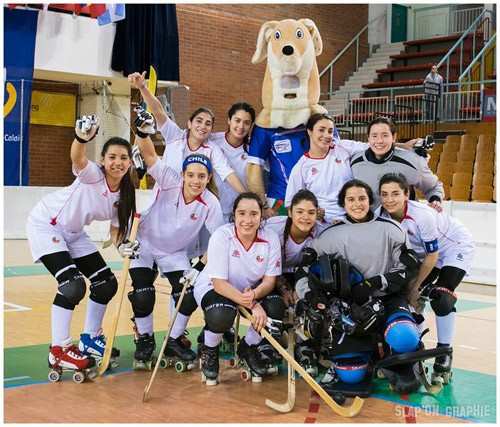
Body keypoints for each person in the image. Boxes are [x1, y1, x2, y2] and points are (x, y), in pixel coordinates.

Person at [26, 115, 137, 376]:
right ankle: (59, 349)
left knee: (106, 282)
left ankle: (89, 337)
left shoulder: (125, 193)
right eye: (112, 157)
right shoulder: (92, 175)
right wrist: (81, 138)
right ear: (103, 160)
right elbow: (77, 158)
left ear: (130, 162)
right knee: (73, 286)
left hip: (74, 233)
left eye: (123, 158)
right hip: (47, 224)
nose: (117, 163)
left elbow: (116, 229)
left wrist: (124, 247)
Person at [296, 179, 423, 396]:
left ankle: (396, 354)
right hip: (352, 307)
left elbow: (407, 268)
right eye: (351, 199)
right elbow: (304, 269)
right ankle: (372, 355)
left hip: (388, 297)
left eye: (362, 198)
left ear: (371, 201)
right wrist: (310, 295)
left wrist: (373, 283)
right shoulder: (329, 235)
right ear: (343, 203)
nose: (357, 204)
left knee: (405, 337)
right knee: (351, 375)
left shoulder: (391, 228)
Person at [128, 130, 223, 370]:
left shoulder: (211, 203)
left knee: (187, 294)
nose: (195, 181)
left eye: (202, 176)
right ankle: (145, 340)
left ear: (209, 177)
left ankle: (172, 340)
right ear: (182, 175)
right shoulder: (170, 181)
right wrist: (142, 133)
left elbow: (220, 241)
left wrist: (199, 266)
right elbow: (149, 155)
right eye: (191, 175)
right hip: (146, 243)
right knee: (143, 292)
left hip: (174, 253)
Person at [378, 173, 475, 384]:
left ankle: (443, 355)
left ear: (406, 195)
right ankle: (413, 349)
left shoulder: (422, 215)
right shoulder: (381, 216)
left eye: (395, 193)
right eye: (384, 194)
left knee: (442, 298)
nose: (389, 199)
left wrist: (416, 287)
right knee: (405, 298)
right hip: (423, 256)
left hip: (453, 247)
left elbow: (433, 255)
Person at [193, 192, 285, 385]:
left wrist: (255, 295)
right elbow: (219, 283)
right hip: (216, 287)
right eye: (242, 213)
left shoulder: (271, 238)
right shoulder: (222, 236)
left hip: (249, 289)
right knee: (221, 314)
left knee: (275, 307)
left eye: (254, 214)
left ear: (261, 216)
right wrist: (253, 304)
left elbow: (269, 281)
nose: (247, 220)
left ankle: (247, 348)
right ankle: (210, 351)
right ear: (233, 215)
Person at [264, 189, 326, 375]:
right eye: (299, 212)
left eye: (311, 213)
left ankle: (305, 345)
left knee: (308, 301)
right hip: (271, 273)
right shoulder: (273, 227)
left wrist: (299, 289)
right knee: (274, 304)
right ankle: (265, 344)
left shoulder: (322, 232)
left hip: (303, 274)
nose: (305, 217)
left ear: (317, 213)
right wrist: (283, 289)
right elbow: (266, 264)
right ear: (290, 212)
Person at [285, 113, 367, 223]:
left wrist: (395, 145)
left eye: (330, 131)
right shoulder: (301, 167)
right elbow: (290, 205)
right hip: (322, 225)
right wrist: (313, 214)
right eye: (321, 130)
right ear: (310, 131)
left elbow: (376, 146)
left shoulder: (342, 147)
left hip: (353, 218)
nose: (327, 135)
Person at [351, 116, 444, 210]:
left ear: (394, 137)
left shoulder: (412, 160)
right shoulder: (355, 162)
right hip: (370, 223)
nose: (379, 141)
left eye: (385, 135)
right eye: (374, 136)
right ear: (368, 138)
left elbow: (434, 187)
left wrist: (435, 199)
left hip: (403, 222)